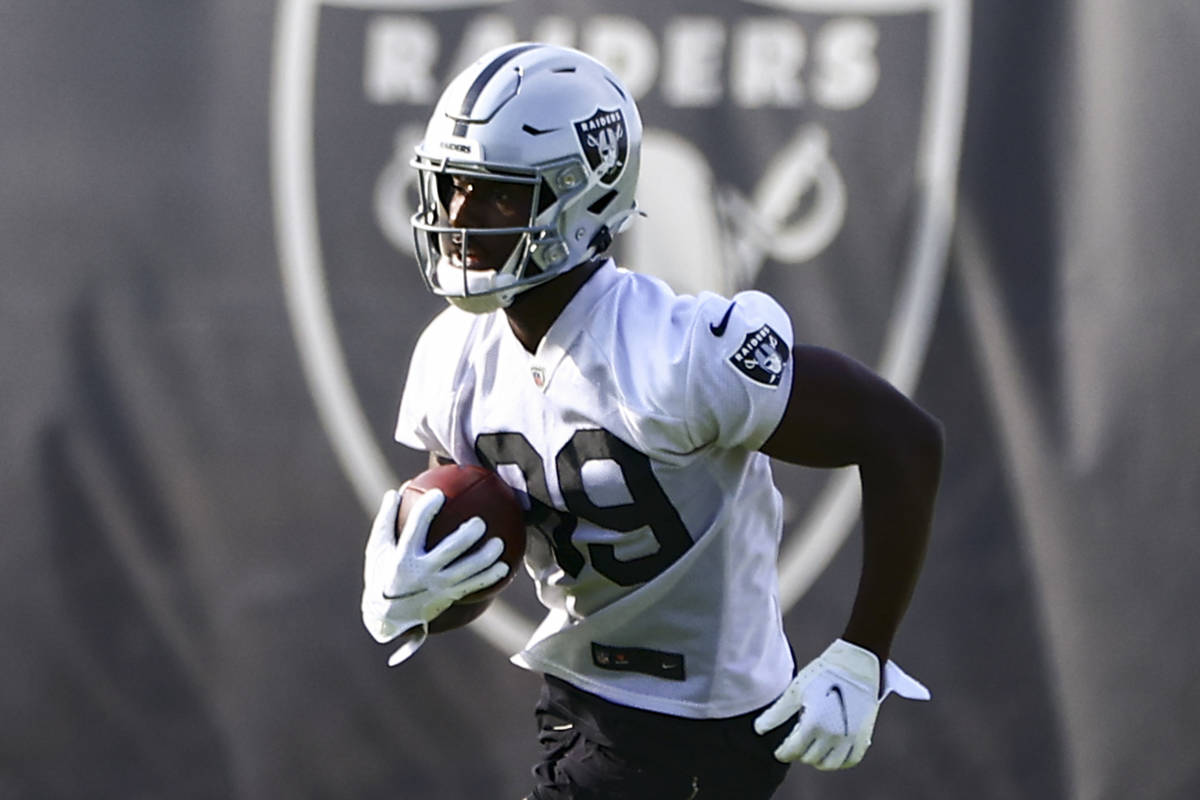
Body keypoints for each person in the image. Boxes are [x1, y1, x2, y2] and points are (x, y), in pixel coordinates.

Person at [360, 42, 943, 799]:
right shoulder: (452, 354)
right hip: (579, 706)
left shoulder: (680, 353)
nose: (461, 219)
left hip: (702, 726)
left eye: (499, 195)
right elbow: (480, 539)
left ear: (580, 198)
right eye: (453, 188)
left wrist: (862, 653)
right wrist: (408, 594)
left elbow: (903, 438)